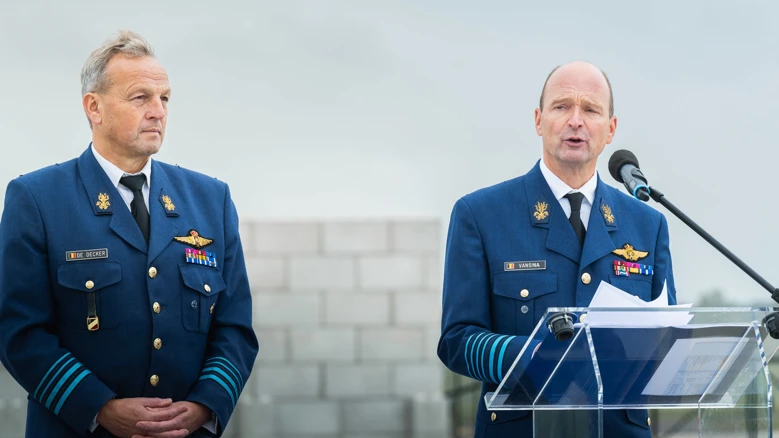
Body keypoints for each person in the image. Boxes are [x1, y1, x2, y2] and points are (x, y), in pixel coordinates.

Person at [0, 30, 258, 438]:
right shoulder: (36, 199)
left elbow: (234, 328)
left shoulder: (211, 200)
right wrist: (99, 408)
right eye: (140, 98)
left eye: (165, 98)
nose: (158, 111)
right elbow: (18, 331)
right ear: (94, 108)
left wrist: (203, 406)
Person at [437, 61, 677, 437]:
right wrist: (534, 356)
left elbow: (665, 341)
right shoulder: (480, 215)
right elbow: (456, 341)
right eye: (562, 106)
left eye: (591, 110)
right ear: (538, 120)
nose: (576, 121)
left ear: (611, 129)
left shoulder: (647, 223)